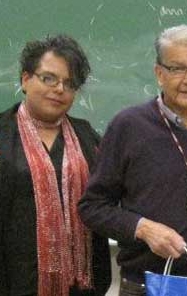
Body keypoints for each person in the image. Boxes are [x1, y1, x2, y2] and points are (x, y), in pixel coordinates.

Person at [78, 25, 187, 295]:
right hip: (145, 286)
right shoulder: (128, 127)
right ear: (159, 73)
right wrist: (142, 228)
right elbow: (92, 206)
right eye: (177, 69)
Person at [0, 35, 111, 295]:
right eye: (48, 78)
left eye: (69, 83)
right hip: (12, 283)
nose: (59, 89)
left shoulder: (88, 138)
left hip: (81, 287)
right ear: (26, 79)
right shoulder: (3, 133)